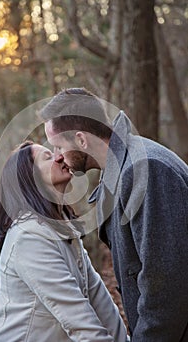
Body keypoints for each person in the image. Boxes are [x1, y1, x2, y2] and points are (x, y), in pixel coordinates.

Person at [40, 88, 188, 341]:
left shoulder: (144, 169)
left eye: (58, 146)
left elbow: (164, 284)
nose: (58, 157)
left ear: (81, 140)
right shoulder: (125, 169)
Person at [0, 140, 129, 342]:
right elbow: (77, 318)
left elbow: (97, 296)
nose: (60, 156)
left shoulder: (62, 227)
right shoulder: (29, 237)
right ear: (29, 179)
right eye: (47, 157)